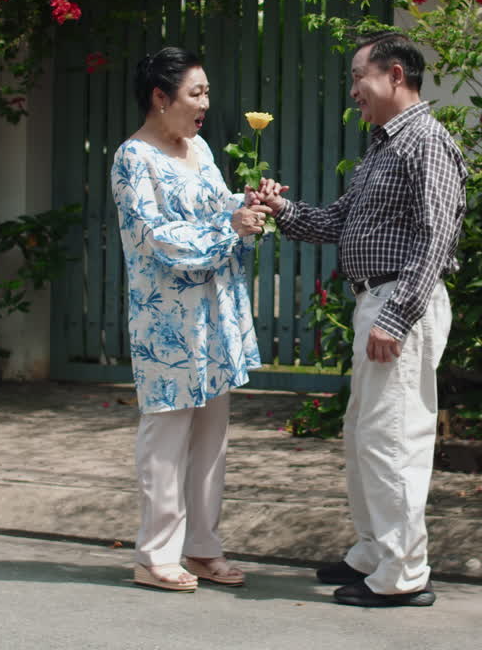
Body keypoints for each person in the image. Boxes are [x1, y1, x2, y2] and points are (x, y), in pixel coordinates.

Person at [253, 31, 467, 607]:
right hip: (378, 298)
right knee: (365, 435)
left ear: (395, 75)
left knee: (394, 437)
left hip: (400, 302)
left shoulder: (425, 140)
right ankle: (374, 553)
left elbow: (437, 234)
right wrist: (281, 209)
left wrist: (396, 317)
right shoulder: (384, 146)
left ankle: (403, 573)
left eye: (358, 78)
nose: (353, 91)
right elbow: (339, 221)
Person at [110, 46, 272, 592]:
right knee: (166, 436)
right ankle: (155, 554)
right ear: (161, 97)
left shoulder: (199, 148)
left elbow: (216, 205)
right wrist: (230, 229)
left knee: (211, 437)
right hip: (166, 323)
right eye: (195, 93)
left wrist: (246, 205)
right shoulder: (133, 158)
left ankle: (202, 546)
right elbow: (154, 236)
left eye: (206, 93)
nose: (205, 104)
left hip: (212, 314)